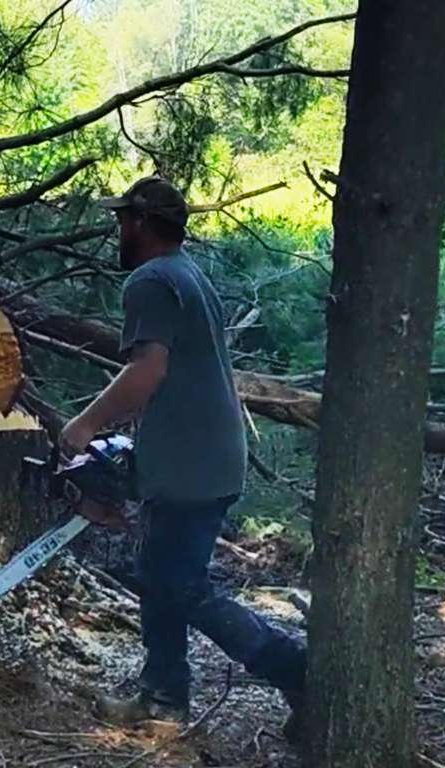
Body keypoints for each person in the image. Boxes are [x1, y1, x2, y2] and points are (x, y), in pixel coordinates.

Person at [59, 176, 308, 742]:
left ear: (143, 224)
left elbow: (148, 371)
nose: (117, 230)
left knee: (180, 585)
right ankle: (162, 697)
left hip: (191, 463)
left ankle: (296, 668)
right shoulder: (189, 275)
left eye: (123, 220)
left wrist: (85, 425)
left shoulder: (150, 280)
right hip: (203, 454)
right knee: (159, 575)